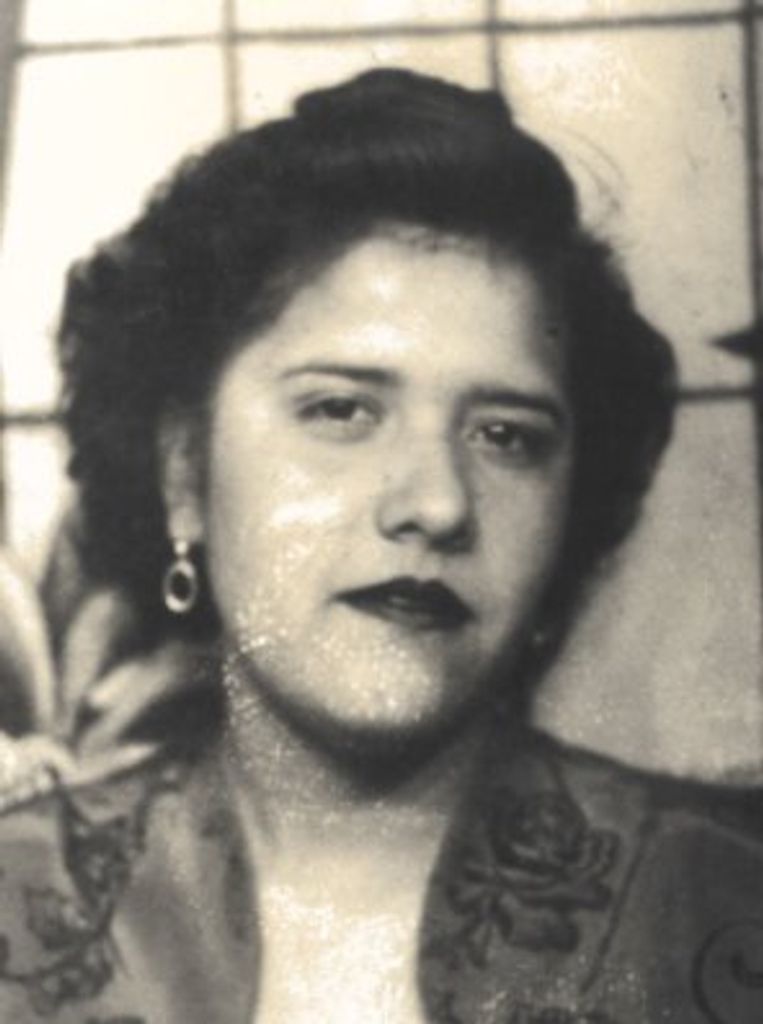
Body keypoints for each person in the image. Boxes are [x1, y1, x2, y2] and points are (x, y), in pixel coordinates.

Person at [0, 67, 759, 1024]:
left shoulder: (719, 897)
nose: (437, 503)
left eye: (506, 435)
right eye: (341, 410)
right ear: (185, 470)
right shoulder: (20, 902)